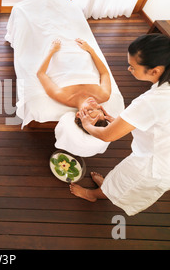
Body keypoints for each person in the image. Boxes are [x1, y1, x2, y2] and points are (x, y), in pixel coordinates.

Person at [70, 33, 170, 216]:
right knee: (119, 175)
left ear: (155, 71)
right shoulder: (162, 90)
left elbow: (108, 135)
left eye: (132, 67)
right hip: (158, 150)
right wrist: (118, 120)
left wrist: (86, 125)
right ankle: (106, 187)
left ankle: (94, 194)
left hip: (156, 165)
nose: (128, 69)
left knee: (124, 183)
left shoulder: (152, 101)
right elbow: (156, 120)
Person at [37, 38, 111, 131]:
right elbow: (104, 73)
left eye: (90, 110)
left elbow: (41, 74)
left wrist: (52, 50)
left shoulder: (63, 97)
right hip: (83, 52)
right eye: (99, 109)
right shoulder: (104, 95)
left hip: (60, 54)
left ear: (79, 114)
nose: (94, 104)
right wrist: (90, 50)